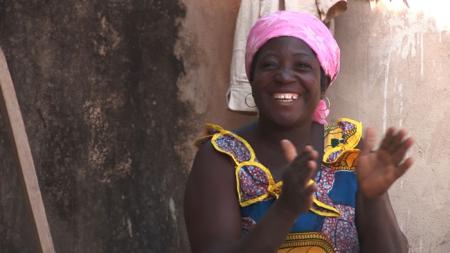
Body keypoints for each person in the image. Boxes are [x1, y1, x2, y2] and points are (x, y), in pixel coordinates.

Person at [184, 11, 413, 253]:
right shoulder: (221, 159)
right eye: (270, 65)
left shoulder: (349, 153)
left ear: (323, 83)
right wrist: (284, 210)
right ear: (251, 78)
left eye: (302, 66)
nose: (284, 76)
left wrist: (374, 199)